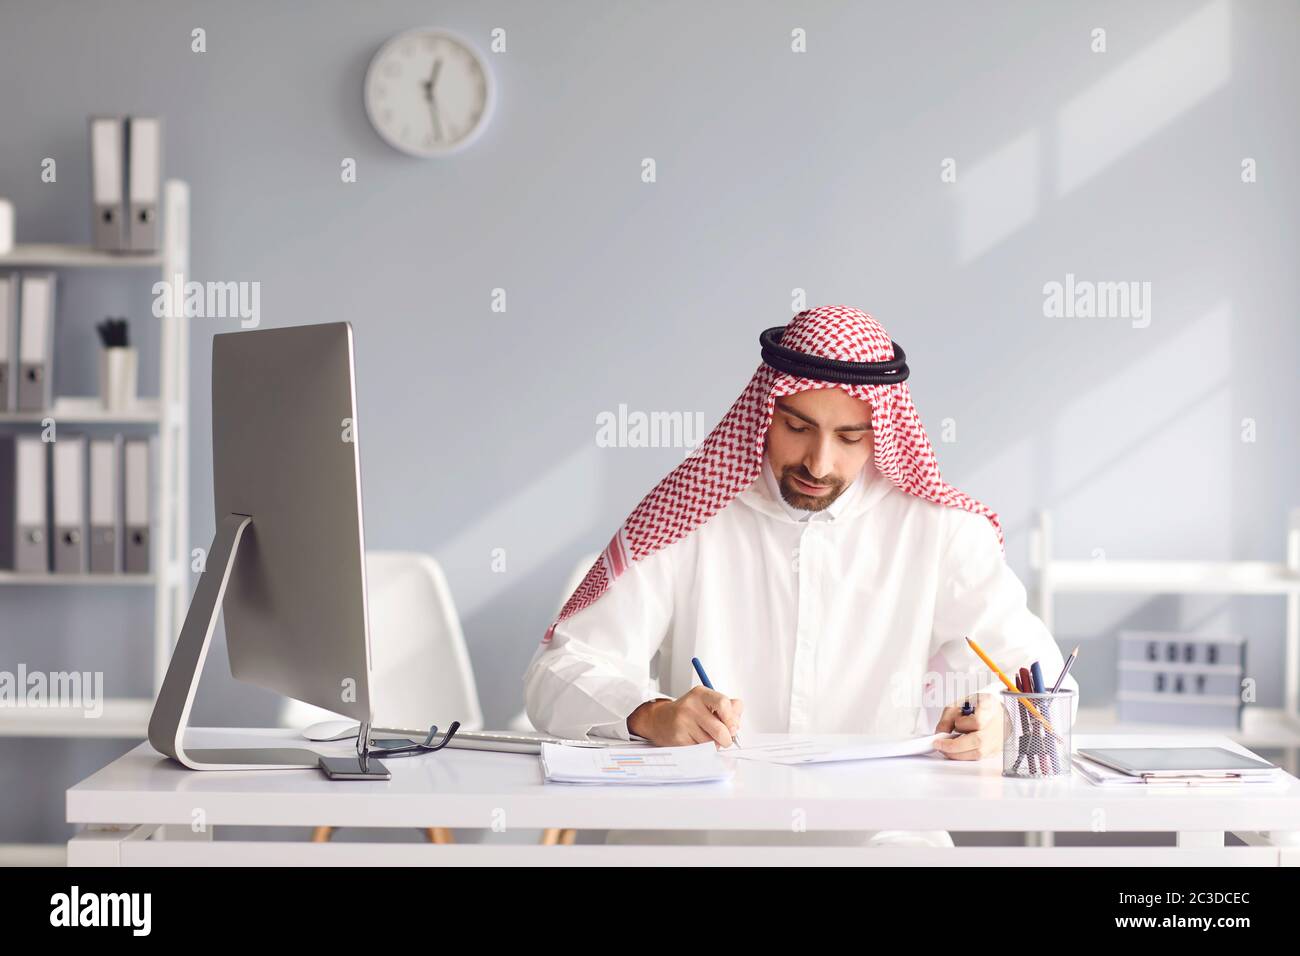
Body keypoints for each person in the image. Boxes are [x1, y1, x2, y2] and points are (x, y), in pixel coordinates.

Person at [524, 305, 1078, 847]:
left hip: (880, 833)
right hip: (702, 835)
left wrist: (1006, 721)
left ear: (880, 432)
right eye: (797, 427)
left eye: (850, 438)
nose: (818, 463)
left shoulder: (941, 529)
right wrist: (650, 714)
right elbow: (558, 672)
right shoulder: (689, 515)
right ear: (766, 411)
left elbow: (1048, 681)